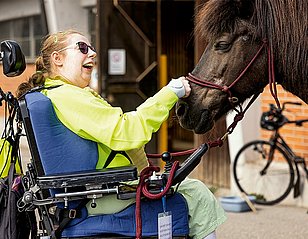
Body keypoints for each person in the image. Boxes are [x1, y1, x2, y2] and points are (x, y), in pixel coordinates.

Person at [17, 30, 226, 239]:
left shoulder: (56, 92)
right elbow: (126, 132)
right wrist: (170, 93)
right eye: (82, 48)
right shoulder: (69, 96)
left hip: (97, 191)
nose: (92, 53)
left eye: (91, 47)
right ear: (58, 59)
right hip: (103, 194)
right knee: (197, 194)